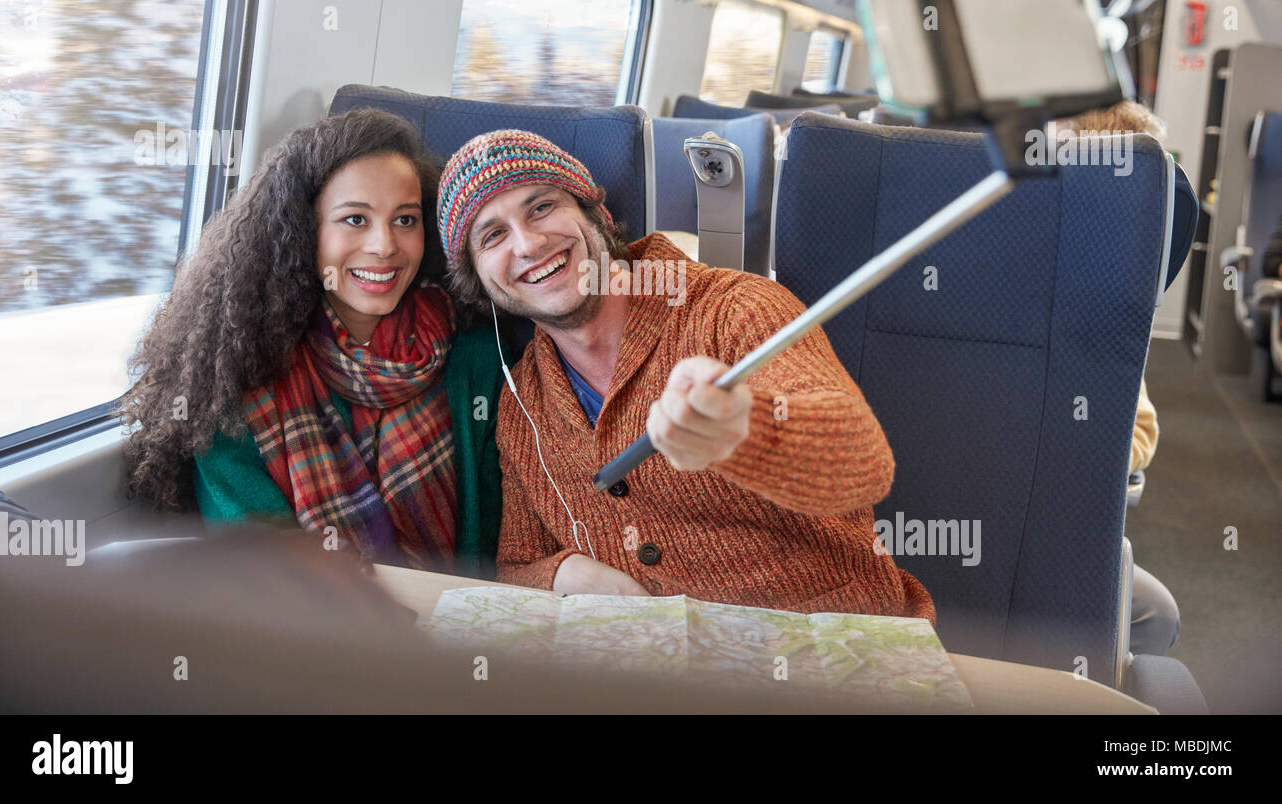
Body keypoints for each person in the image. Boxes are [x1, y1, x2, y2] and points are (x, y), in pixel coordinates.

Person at [436, 129, 935, 622]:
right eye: (493, 235)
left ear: (596, 217)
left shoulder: (735, 310)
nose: (528, 243)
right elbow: (518, 566)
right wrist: (564, 574)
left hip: (833, 651)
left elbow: (862, 461)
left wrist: (745, 429)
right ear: (478, 281)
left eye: (542, 207)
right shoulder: (524, 401)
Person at [120, 109, 506, 576]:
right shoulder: (234, 383)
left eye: (405, 219)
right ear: (305, 233)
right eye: (355, 219)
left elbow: (499, 553)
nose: (385, 245)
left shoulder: (480, 358)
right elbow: (265, 574)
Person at [1058, 99, 1180, 656]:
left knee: (1156, 613)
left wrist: (1085, 453)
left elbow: (1141, 434)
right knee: (1156, 616)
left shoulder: (1117, 310)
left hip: (1060, 510)